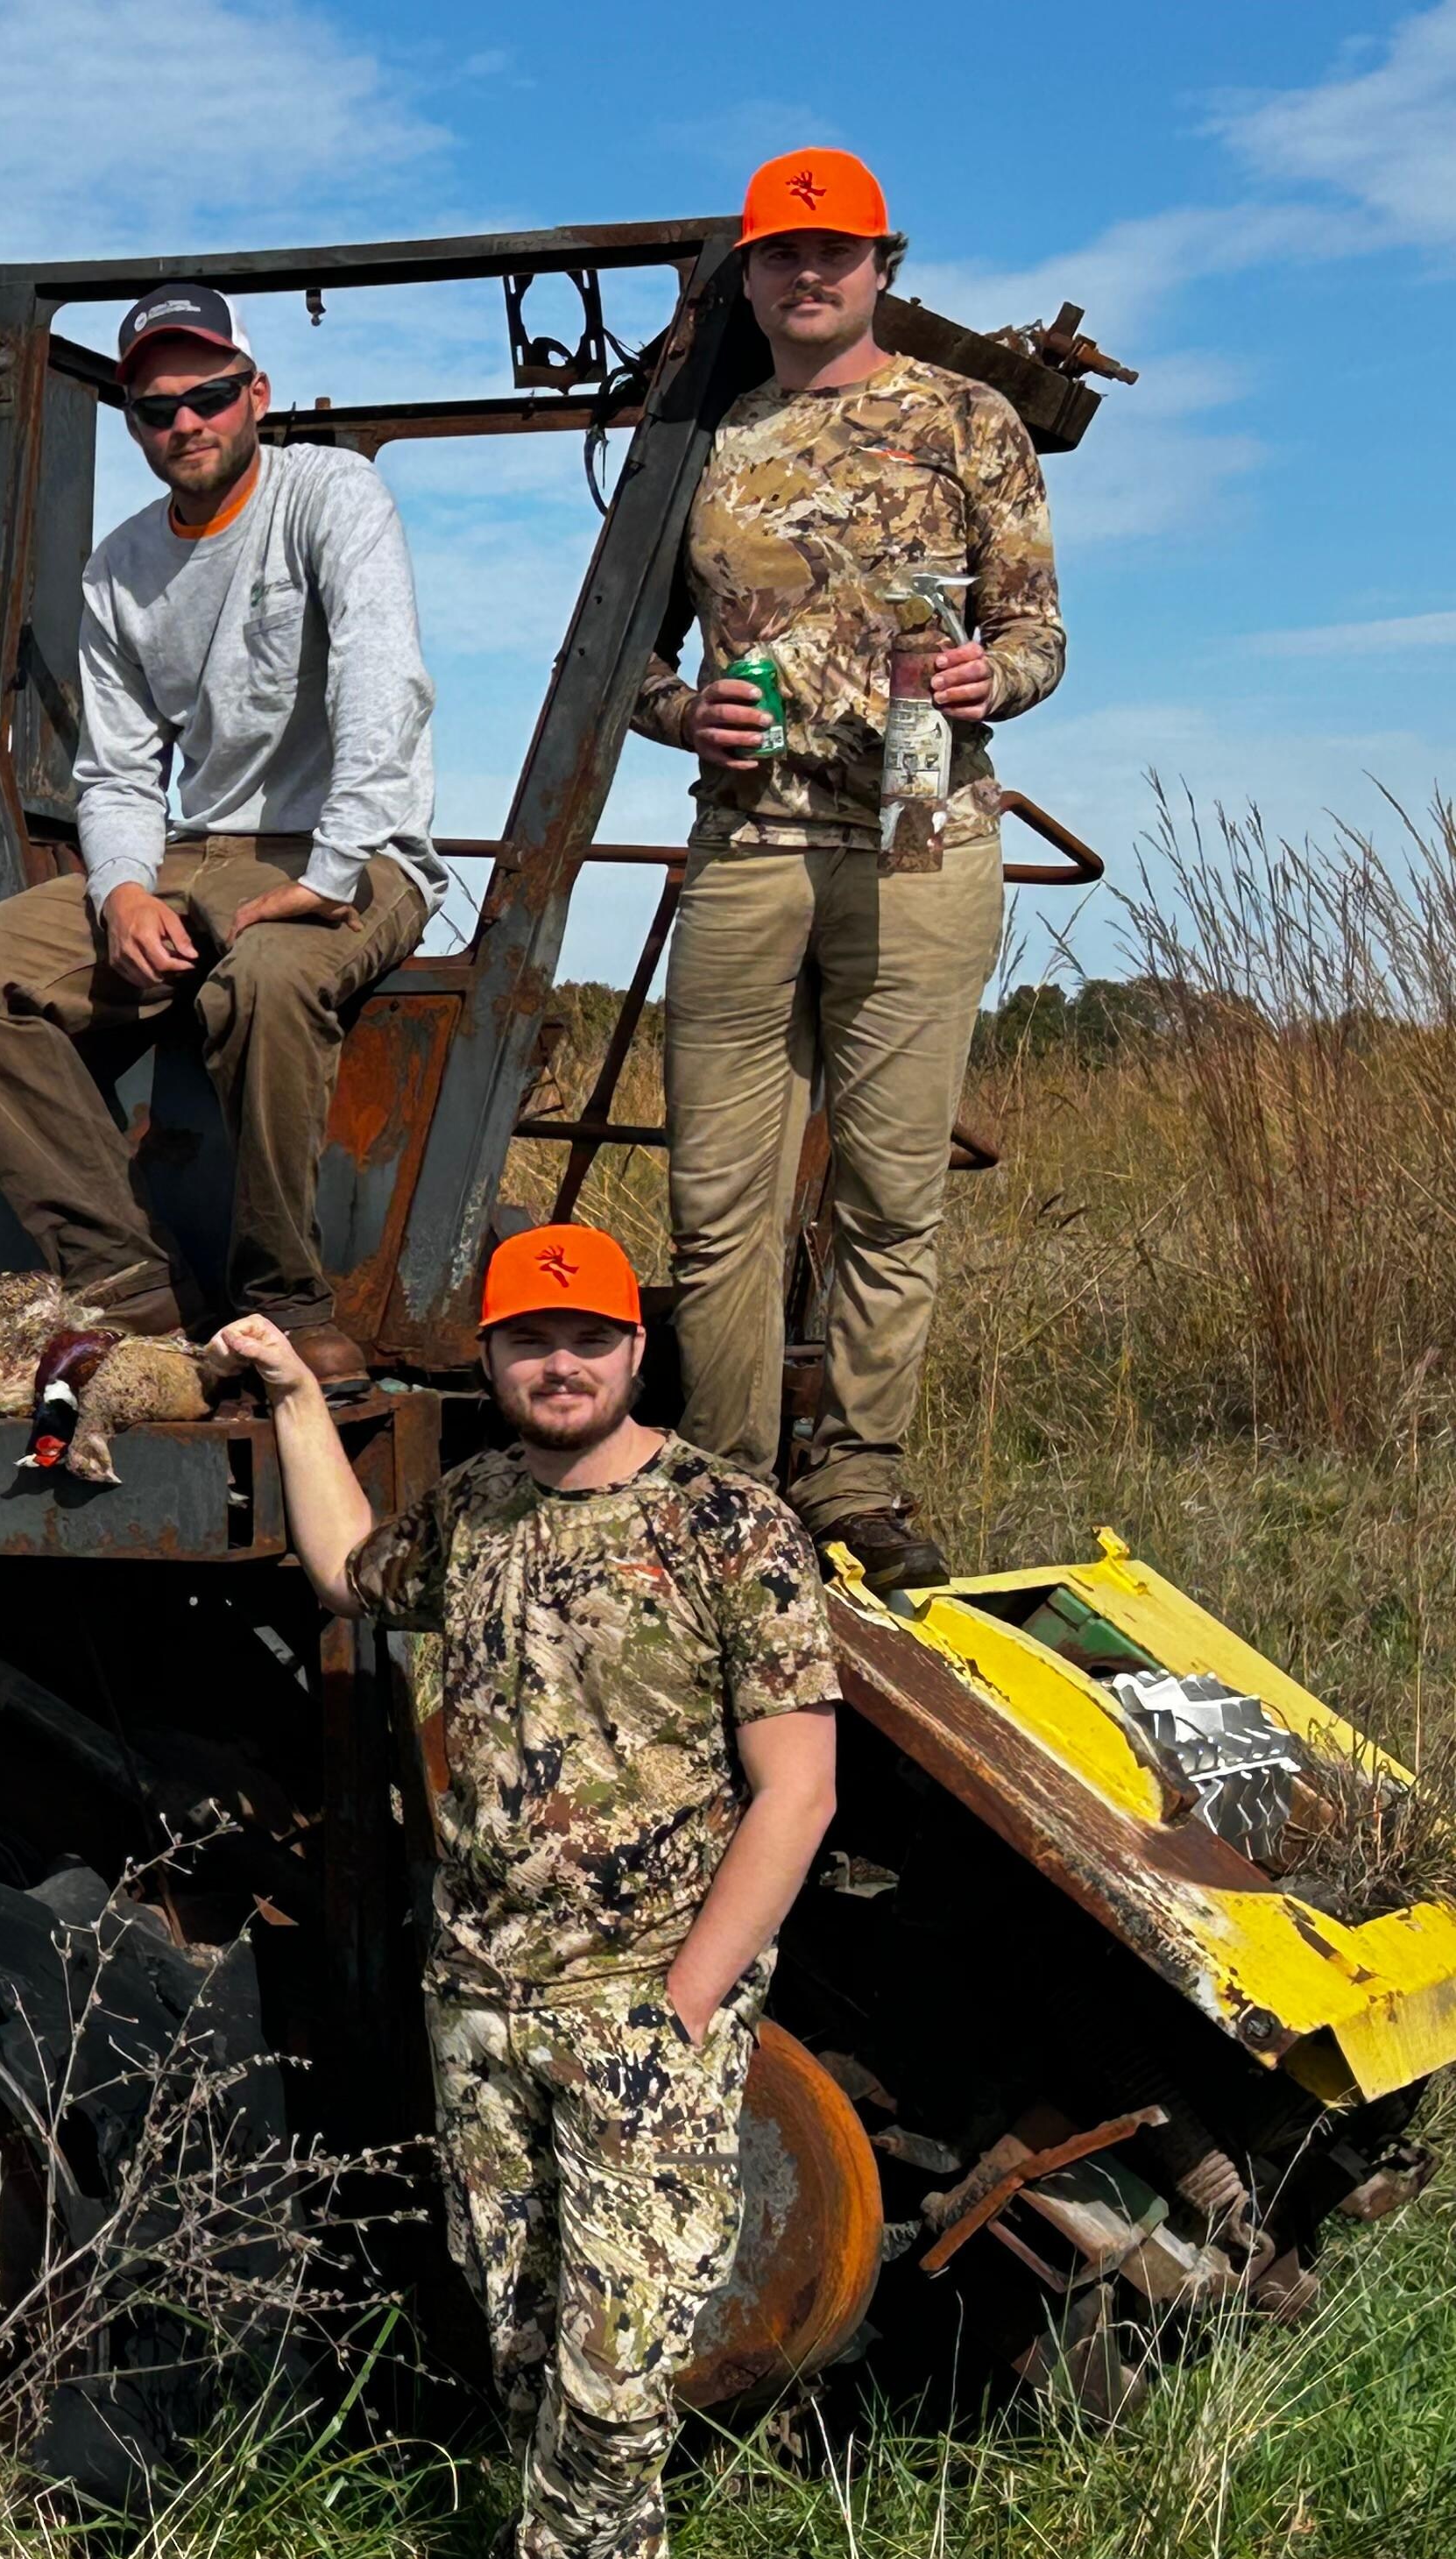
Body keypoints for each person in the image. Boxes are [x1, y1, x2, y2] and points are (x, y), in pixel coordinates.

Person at [223, 1223, 839, 2559]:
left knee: (619, 2377)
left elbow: (795, 1786)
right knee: (526, 2352)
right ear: (492, 1356)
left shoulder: (727, 1519)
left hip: (637, 2010)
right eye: (527, 1339)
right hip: (483, 2003)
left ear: (634, 1346)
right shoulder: (479, 1503)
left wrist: (680, 2004)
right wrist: (295, 1397)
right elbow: (345, 1573)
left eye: (587, 1337)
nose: (558, 1363)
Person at [633, 148, 1066, 1591]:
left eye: (837, 251)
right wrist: (685, 710)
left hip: (922, 847)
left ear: (882, 261)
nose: (808, 275)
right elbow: (623, 670)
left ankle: (860, 1483)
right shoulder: (694, 436)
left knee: (888, 1188)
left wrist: (978, 679)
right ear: (745, 274)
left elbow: (1038, 635)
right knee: (717, 1197)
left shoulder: (969, 419)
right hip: (748, 848)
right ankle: (727, 1481)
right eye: (780, 253)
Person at [0, 282, 449, 1390]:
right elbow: (116, 771)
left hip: (360, 845)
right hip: (198, 854)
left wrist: (337, 870)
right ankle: (127, 1289)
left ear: (256, 393)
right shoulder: (119, 569)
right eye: (157, 409)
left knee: (264, 978)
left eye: (208, 396)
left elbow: (379, 683)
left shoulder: (329, 497)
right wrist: (121, 893)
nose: (185, 423)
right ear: (132, 423)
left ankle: (286, 1301)